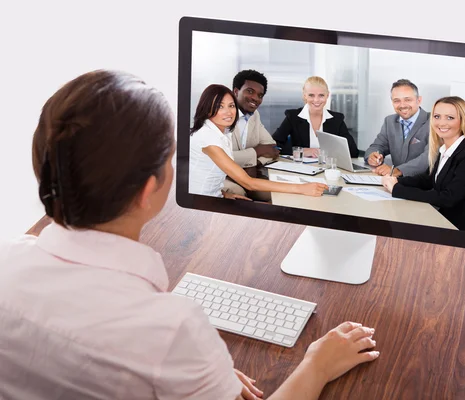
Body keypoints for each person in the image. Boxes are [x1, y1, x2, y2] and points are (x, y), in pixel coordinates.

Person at [0, 70, 380, 400]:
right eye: (171, 156)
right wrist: (317, 364)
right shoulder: (173, 330)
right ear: (149, 190)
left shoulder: (9, 259)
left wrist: (196, 375)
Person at [189, 84, 328, 200]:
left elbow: (206, 175)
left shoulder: (222, 133)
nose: (229, 112)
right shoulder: (207, 137)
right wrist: (302, 188)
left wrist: (224, 195)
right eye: (220, 107)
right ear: (207, 109)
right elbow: (248, 183)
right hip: (201, 204)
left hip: (215, 197)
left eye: (231, 106)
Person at [381, 96, 465, 231]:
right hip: (443, 219)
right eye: (437, 116)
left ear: (463, 121)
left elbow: (448, 198)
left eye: (450, 118)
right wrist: (396, 181)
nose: (441, 123)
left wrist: (397, 189)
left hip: (460, 228)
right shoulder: (446, 149)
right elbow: (429, 180)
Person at [224, 70, 279, 201]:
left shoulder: (254, 116)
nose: (255, 98)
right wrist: (256, 152)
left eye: (260, 95)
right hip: (222, 176)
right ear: (236, 92)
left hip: (250, 175)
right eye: (250, 91)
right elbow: (218, 157)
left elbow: (271, 147)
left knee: (278, 195)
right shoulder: (221, 114)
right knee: (237, 193)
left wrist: (255, 163)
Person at [272, 76, 359, 158]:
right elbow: (273, 146)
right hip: (301, 168)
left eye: (321, 95)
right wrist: (301, 151)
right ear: (305, 95)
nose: (316, 100)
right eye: (311, 95)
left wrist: (329, 152)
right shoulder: (293, 117)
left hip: (327, 169)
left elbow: (353, 152)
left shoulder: (336, 119)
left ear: (327, 95)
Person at [364, 79, 430, 177]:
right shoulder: (390, 121)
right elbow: (377, 146)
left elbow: (429, 157)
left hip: (424, 184)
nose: (402, 105)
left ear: (418, 100)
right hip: (395, 182)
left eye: (407, 99)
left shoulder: (433, 122)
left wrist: (398, 170)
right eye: (397, 101)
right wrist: (372, 156)